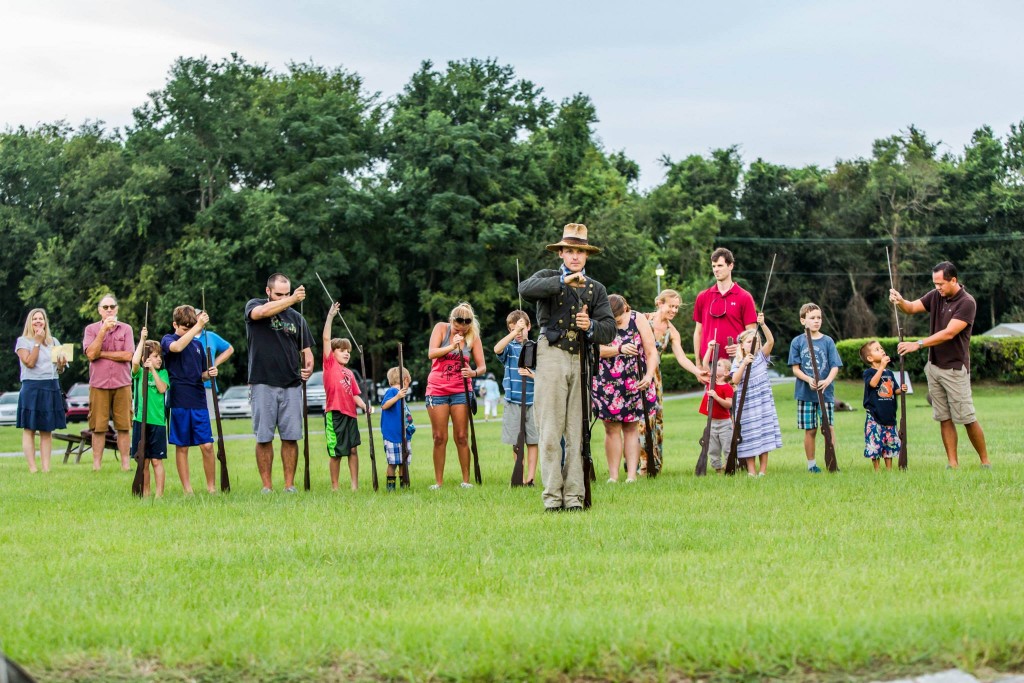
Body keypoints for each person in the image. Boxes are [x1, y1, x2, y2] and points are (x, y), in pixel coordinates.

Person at [520, 223, 616, 511]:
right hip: (551, 354)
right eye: (570, 251)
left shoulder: (596, 288)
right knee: (549, 431)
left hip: (582, 357)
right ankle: (552, 497)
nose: (575, 256)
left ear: (587, 256)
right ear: (561, 253)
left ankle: (574, 497)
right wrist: (563, 283)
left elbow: (609, 329)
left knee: (578, 433)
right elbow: (524, 289)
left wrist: (592, 326)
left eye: (580, 252)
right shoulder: (548, 278)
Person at [889, 261, 990, 469]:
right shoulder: (936, 296)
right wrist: (900, 301)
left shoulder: (967, 302)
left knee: (967, 418)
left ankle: (985, 462)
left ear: (953, 280)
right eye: (935, 283)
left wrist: (918, 344)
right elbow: (911, 308)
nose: (937, 288)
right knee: (944, 417)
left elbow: (949, 333)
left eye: (941, 284)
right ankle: (952, 464)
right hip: (934, 366)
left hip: (955, 369)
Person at [245, 273, 314, 493]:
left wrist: (309, 365)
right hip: (262, 381)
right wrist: (293, 298)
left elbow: (307, 351)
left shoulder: (296, 318)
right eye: (279, 294)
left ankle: (289, 485)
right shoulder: (254, 305)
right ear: (268, 291)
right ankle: (267, 486)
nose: (283, 298)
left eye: (287, 294)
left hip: (292, 383)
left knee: (291, 437)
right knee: (264, 437)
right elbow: (261, 313)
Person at [640, 289, 708, 474]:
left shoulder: (672, 331)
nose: (674, 310)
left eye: (677, 307)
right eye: (671, 306)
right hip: (637, 375)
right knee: (640, 420)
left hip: (655, 378)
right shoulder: (642, 320)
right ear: (660, 303)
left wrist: (697, 371)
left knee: (657, 420)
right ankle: (641, 464)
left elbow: (681, 357)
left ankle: (655, 464)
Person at [592, 294, 658, 483]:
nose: (615, 323)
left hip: (634, 379)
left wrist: (649, 375)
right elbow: (595, 350)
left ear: (625, 309)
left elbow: (651, 351)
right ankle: (613, 476)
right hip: (606, 382)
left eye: (618, 319)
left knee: (631, 427)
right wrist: (619, 349)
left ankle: (631, 476)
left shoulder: (638, 319)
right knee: (611, 428)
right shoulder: (600, 320)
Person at [425, 302, 486, 489]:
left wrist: (473, 373)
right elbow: (432, 353)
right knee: (439, 437)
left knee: (461, 436)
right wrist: (452, 346)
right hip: (437, 390)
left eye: (467, 324)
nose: (462, 327)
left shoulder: (473, 337)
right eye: (459, 324)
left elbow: (482, 367)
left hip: (461, 390)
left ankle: (466, 481)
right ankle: (438, 482)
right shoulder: (441, 329)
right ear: (452, 320)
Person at [161, 306, 219, 494]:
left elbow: (200, 374)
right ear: (175, 325)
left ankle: (211, 488)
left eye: (191, 328)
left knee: (207, 445)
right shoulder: (168, 340)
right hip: (179, 400)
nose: (189, 331)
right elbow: (177, 348)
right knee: (182, 446)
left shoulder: (198, 346)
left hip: (199, 400)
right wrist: (197, 327)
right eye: (184, 328)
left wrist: (209, 374)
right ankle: (188, 490)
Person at [83, 294, 135, 471]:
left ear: (117, 308)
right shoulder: (91, 329)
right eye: (105, 307)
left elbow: (128, 355)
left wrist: (102, 354)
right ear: (99, 310)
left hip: (122, 383)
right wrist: (103, 331)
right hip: (98, 384)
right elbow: (90, 354)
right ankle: (96, 465)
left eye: (112, 306)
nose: (109, 310)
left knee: (124, 425)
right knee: (98, 427)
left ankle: (125, 464)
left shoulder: (126, 329)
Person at [787, 303, 842, 473]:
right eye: (812, 318)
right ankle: (811, 465)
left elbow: (835, 366)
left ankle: (832, 462)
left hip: (825, 393)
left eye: (819, 318)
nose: (816, 321)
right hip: (805, 394)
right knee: (810, 430)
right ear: (803, 321)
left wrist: (827, 381)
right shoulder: (797, 341)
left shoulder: (827, 341)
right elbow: (795, 368)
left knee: (828, 428)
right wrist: (809, 379)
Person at [323, 301, 371, 491]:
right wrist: (330, 317)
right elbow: (326, 338)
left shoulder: (349, 373)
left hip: (351, 415)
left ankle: (354, 486)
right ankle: (335, 487)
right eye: (341, 350)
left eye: (348, 351)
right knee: (336, 453)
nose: (346, 354)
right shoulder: (329, 366)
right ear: (332, 353)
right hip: (335, 414)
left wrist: (364, 406)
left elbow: (355, 395)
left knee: (353, 450)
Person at [14, 308, 68, 473]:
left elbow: (60, 370)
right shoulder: (23, 341)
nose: (38, 321)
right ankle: (33, 468)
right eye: (34, 319)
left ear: (45, 322)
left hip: (51, 386)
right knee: (29, 428)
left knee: (46, 429)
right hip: (32, 387)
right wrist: (37, 342)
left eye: (41, 319)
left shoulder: (54, 342)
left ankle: (46, 468)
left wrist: (60, 364)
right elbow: (29, 363)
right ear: (30, 322)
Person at [730, 314, 782, 475]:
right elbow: (735, 381)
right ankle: (751, 471)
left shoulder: (761, 356)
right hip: (746, 404)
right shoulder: (738, 361)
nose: (753, 344)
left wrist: (763, 324)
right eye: (749, 342)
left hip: (763, 401)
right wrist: (744, 364)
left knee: (763, 434)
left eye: (756, 342)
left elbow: (771, 341)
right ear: (742, 345)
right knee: (749, 436)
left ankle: (763, 471)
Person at [693, 247, 757, 375]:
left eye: (720, 265)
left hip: (737, 361)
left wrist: (740, 346)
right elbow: (698, 332)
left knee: (736, 396)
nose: (716, 269)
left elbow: (752, 333)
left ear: (730, 266)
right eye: (714, 266)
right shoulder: (703, 297)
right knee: (711, 395)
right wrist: (698, 363)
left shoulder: (744, 297)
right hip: (710, 362)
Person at [494, 310, 538, 486]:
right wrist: (514, 331)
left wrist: (531, 374)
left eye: (521, 329)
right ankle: (519, 475)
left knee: (533, 441)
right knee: (516, 441)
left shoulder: (536, 347)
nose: (518, 334)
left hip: (534, 401)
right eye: (513, 330)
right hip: (513, 401)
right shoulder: (510, 348)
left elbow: (544, 374)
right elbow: (497, 349)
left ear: (529, 326)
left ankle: (531, 477)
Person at [130, 335, 169, 496]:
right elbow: (134, 361)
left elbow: (162, 389)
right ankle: (146, 493)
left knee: (156, 461)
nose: (159, 359)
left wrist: (153, 369)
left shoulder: (163, 373)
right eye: (155, 356)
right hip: (141, 421)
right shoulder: (139, 373)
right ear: (146, 358)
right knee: (143, 461)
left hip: (158, 422)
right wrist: (141, 340)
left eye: (160, 356)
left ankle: (159, 495)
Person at [859, 340, 906, 472]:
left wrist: (901, 389)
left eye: (881, 347)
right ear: (870, 358)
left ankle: (889, 469)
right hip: (875, 415)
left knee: (889, 442)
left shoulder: (889, 373)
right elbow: (873, 384)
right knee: (875, 443)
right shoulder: (869, 372)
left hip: (889, 414)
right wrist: (881, 368)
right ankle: (877, 469)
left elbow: (894, 389)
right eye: (877, 349)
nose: (882, 350)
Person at [698, 348, 735, 474]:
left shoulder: (727, 388)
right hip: (711, 423)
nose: (714, 365)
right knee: (713, 449)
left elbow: (729, 404)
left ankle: (729, 466)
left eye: (718, 365)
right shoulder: (710, 381)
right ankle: (718, 469)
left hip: (724, 423)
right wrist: (709, 348)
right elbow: (704, 364)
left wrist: (716, 397)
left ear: (726, 373)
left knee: (727, 447)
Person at [380, 365, 415, 491]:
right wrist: (397, 397)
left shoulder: (401, 394)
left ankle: (403, 485)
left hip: (402, 434)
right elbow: (384, 405)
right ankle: (391, 488)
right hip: (392, 435)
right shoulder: (392, 392)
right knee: (393, 463)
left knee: (403, 462)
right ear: (405, 380)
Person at [196, 325, 234, 419]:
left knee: (209, 420)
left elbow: (229, 349)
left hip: (208, 385)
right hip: (189, 385)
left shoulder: (210, 336)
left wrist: (214, 364)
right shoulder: (185, 336)